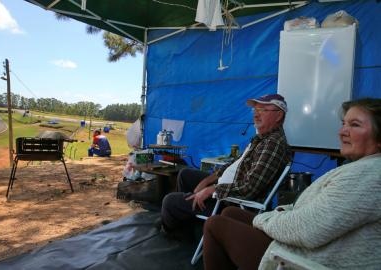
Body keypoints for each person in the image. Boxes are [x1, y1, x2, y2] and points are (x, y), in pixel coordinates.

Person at [203, 98, 381, 270]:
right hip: (299, 241)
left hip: (303, 258)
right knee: (229, 212)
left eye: (355, 125)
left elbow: (307, 228)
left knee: (214, 224)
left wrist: (264, 218)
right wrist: (279, 213)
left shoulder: (369, 175)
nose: (342, 132)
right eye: (344, 123)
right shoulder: (359, 167)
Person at [160, 94, 292, 234]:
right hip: (227, 191)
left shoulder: (273, 144)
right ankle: (189, 222)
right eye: (255, 110)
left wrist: (212, 189)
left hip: (231, 203)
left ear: (278, 116)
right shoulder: (261, 139)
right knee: (185, 174)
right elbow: (236, 163)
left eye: (263, 110)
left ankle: (175, 233)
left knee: (169, 201)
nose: (256, 115)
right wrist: (209, 180)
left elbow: (250, 187)